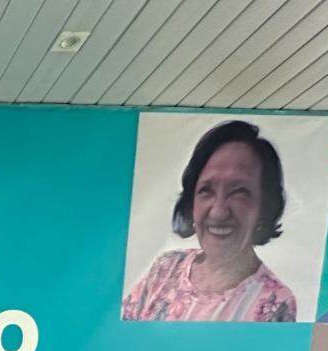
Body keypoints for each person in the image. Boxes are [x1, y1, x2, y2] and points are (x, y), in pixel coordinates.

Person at [123, 120, 296, 322]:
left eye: (239, 193)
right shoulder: (165, 269)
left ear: (264, 207)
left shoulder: (276, 303)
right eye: (206, 191)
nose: (218, 212)